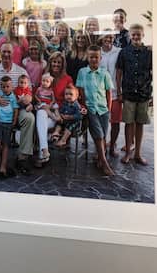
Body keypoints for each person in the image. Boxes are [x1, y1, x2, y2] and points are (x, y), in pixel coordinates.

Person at [0, 43, 35, 173]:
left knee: (29, 118)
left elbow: (30, 93)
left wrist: (28, 99)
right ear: (0, 53)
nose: (6, 54)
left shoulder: (21, 71)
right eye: (4, 52)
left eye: (9, 52)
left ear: (13, 54)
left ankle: (22, 157)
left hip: (16, 108)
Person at [116, 23, 153, 165]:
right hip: (129, 93)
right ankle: (128, 153)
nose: (136, 37)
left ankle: (138, 153)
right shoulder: (124, 52)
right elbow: (119, 73)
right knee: (128, 123)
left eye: (139, 34)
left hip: (144, 93)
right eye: (133, 34)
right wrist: (119, 92)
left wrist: (153, 93)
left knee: (140, 124)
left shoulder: (149, 52)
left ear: (143, 35)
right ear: (130, 36)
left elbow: (153, 72)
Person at [76, 45, 115, 175]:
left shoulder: (104, 73)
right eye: (91, 57)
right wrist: (83, 105)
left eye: (96, 57)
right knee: (98, 135)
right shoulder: (82, 72)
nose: (93, 59)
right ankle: (104, 162)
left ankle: (99, 157)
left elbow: (108, 92)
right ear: (87, 57)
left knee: (103, 135)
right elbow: (81, 90)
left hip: (103, 109)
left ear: (100, 58)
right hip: (90, 108)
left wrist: (109, 110)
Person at [34, 51, 74, 166]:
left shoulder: (67, 79)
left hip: (58, 115)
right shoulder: (45, 77)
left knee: (41, 121)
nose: (56, 64)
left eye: (59, 62)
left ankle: (42, 154)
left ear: (63, 65)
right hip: (44, 111)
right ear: (50, 63)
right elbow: (38, 92)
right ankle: (44, 151)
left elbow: (72, 97)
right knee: (41, 113)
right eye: (54, 62)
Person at [0, 76, 20, 178]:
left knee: (6, 144)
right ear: (0, 86)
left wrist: (14, 121)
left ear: (12, 87)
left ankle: (3, 167)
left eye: (8, 86)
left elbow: (16, 110)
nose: (5, 89)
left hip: (8, 123)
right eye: (3, 86)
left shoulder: (13, 97)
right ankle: (4, 159)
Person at [99, 29, 122, 157]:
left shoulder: (118, 52)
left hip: (115, 92)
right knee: (101, 122)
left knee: (115, 122)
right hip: (101, 94)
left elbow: (121, 71)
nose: (108, 40)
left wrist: (120, 90)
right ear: (101, 38)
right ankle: (101, 147)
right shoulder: (98, 52)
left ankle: (112, 146)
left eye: (111, 37)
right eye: (106, 37)